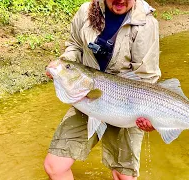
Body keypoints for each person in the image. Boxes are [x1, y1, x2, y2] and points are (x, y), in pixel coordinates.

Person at [44, 0, 160, 179]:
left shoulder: (146, 23)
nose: (120, 0)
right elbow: (74, 45)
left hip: (129, 104)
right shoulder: (86, 11)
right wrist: (64, 64)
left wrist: (152, 117)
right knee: (55, 167)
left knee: (123, 176)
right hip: (87, 96)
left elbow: (147, 76)